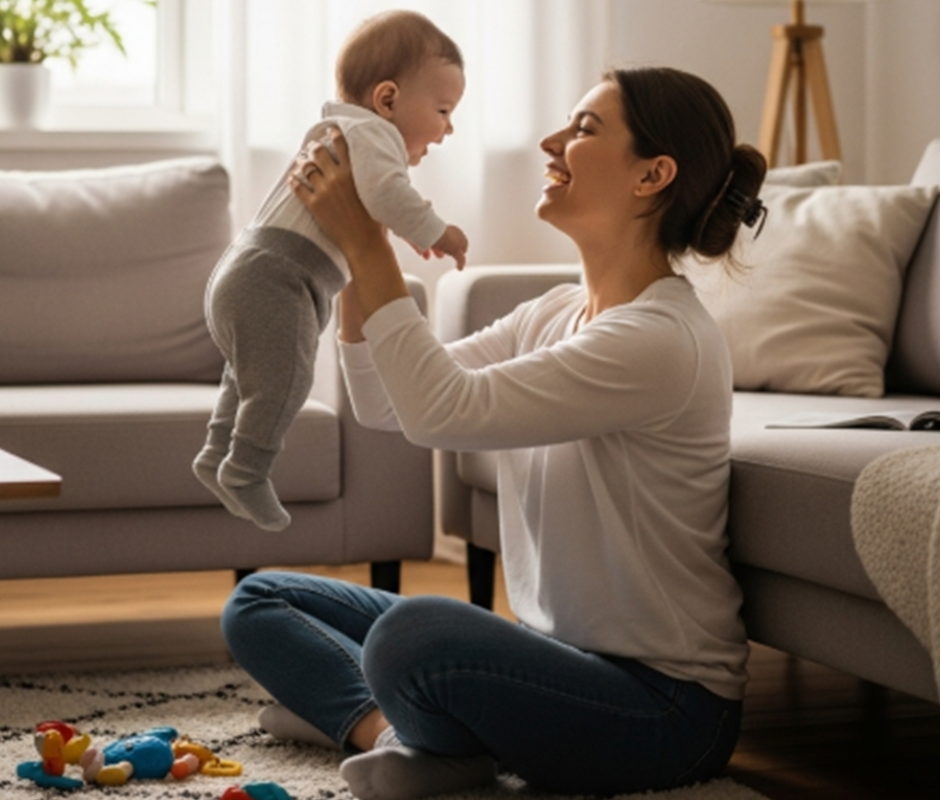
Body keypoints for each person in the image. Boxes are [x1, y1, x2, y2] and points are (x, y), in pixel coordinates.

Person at [220, 65, 768, 799]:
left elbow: (440, 410)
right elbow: (388, 404)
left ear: (653, 175)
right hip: (554, 659)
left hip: (664, 710)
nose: (552, 142)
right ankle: (393, 733)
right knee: (260, 601)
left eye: (583, 130)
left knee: (411, 640)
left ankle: (422, 734)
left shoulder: (661, 339)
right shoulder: (554, 313)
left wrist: (368, 242)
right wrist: (354, 241)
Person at [193, 10, 469, 532]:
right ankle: (247, 469)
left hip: (247, 273)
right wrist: (438, 231)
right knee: (287, 379)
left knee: (250, 376)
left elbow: (375, 198)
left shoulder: (343, 132)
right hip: (277, 276)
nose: (449, 127)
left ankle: (216, 452)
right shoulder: (374, 135)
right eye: (443, 109)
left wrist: (405, 228)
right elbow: (389, 193)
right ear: (387, 99)